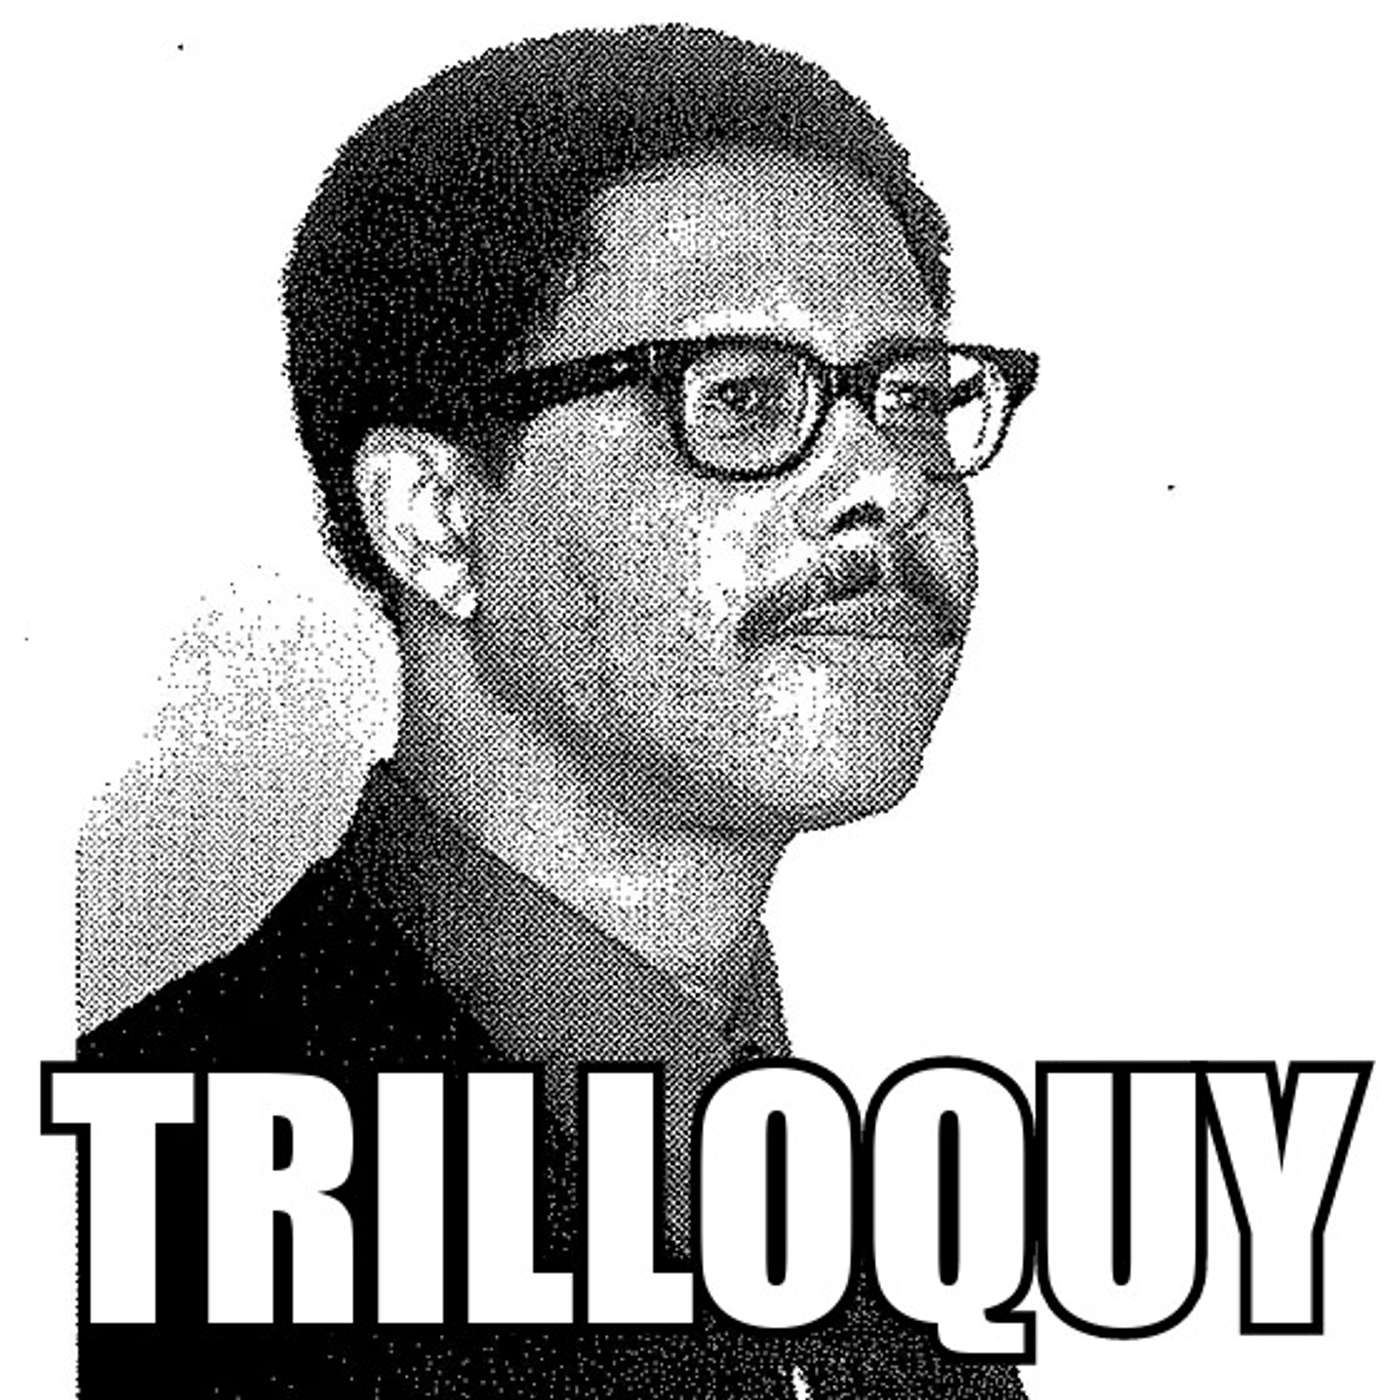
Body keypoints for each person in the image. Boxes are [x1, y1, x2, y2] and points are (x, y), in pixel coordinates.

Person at [78, 24, 1036, 1398]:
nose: (887, 483)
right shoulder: (130, 1226)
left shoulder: (892, 1256)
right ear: (435, 520)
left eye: (916, 400)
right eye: (740, 397)